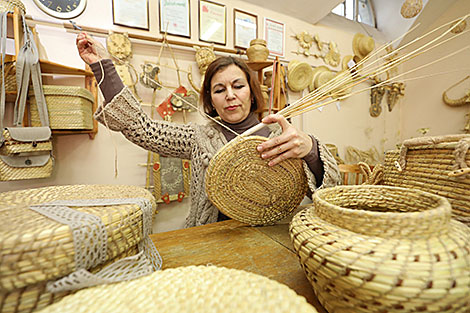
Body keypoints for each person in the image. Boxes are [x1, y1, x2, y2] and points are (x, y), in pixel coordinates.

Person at [76, 32, 340, 228]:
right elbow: (142, 128)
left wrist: (310, 150)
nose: (230, 96)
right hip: (210, 237)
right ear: (210, 100)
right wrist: (102, 67)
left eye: (238, 86)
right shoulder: (198, 138)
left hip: (274, 235)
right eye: (219, 90)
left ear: (252, 91)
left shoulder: (280, 134)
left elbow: (329, 191)